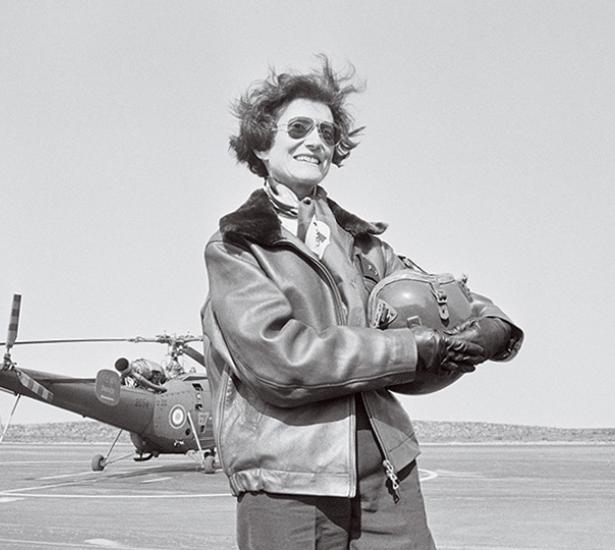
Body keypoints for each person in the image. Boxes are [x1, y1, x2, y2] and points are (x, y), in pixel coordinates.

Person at [201, 57, 523, 550]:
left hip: (388, 476)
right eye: (300, 127)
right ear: (262, 143)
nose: (316, 141)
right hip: (289, 484)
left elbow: (439, 295)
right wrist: (413, 351)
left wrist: (494, 327)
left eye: (328, 134)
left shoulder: (363, 244)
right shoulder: (238, 248)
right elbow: (283, 363)